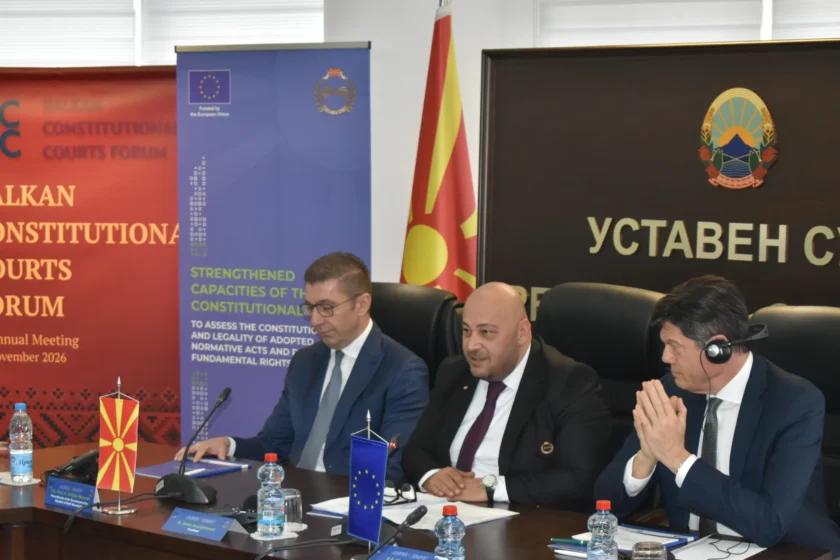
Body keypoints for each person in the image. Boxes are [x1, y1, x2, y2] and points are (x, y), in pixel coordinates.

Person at [594, 275, 840, 556]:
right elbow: (604, 507)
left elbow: (769, 524)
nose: (665, 358)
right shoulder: (671, 391)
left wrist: (677, 458)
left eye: (675, 346)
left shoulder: (794, 403)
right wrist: (646, 457)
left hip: (792, 552)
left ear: (717, 350)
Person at [175, 252, 430, 484]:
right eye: (310, 307)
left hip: (350, 500)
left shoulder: (402, 370)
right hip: (293, 492)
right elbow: (275, 442)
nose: (315, 321)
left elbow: (393, 465)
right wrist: (228, 445)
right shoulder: (305, 361)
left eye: (326, 308)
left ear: (362, 304)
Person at [401, 282, 611, 510]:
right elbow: (415, 450)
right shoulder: (454, 372)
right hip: (445, 513)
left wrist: (491, 488)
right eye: (466, 331)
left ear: (522, 333)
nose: (472, 345)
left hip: (523, 519)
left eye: (486, 332)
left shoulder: (570, 382)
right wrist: (431, 475)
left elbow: (579, 480)